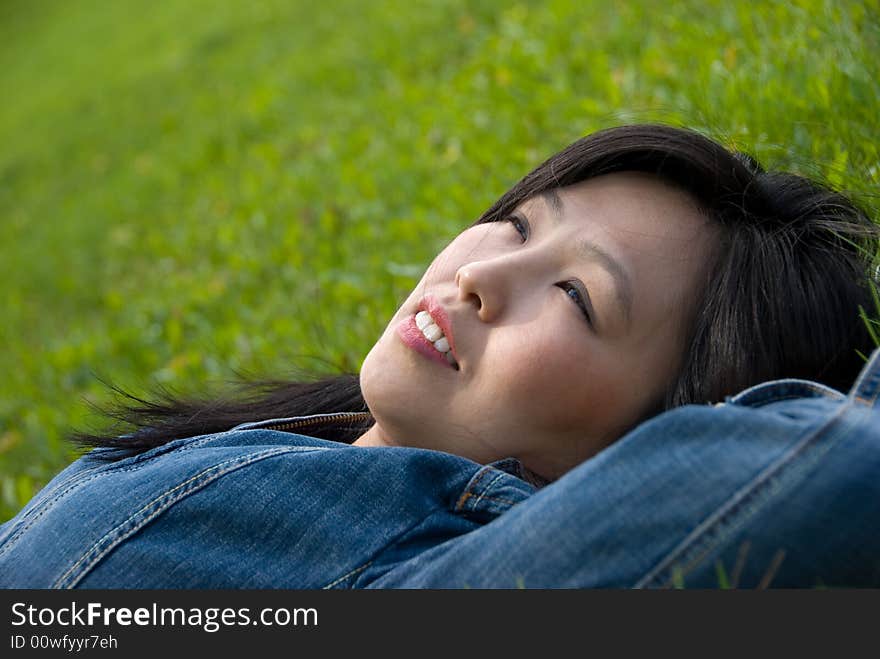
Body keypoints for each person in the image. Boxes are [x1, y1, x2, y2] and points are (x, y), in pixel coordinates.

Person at [1, 124, 878, 588]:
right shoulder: (311, 445)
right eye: (524, 224)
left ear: (663, 446)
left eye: (577, 297)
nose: (482, 274)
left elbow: (838, 471)